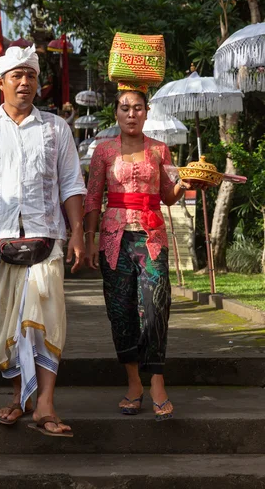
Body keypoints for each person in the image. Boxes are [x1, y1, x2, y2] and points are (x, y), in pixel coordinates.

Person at [0, 45, 86, 437]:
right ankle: (19, 395)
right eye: (17, 75)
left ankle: (45, 403)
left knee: (47, 320)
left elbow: (71, 184)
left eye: (30, 75)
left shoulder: (56, 128)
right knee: (7, 325)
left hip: (46, 238)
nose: (25, 82)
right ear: (1, 83)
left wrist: (78, 231)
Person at [84, 89, 197, 421]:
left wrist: (187, 182)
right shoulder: (103, 151)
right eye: (124, 108)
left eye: (137, 108)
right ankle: (134, 383)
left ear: (146, 112)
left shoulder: (160, 150)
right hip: (113, 239)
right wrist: (89, 240)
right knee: (121, 311)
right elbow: (92, 198)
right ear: (115, 113)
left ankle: (158, 381)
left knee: (156, 304)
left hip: (152, 238)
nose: (131, 114)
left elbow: (169, 195)